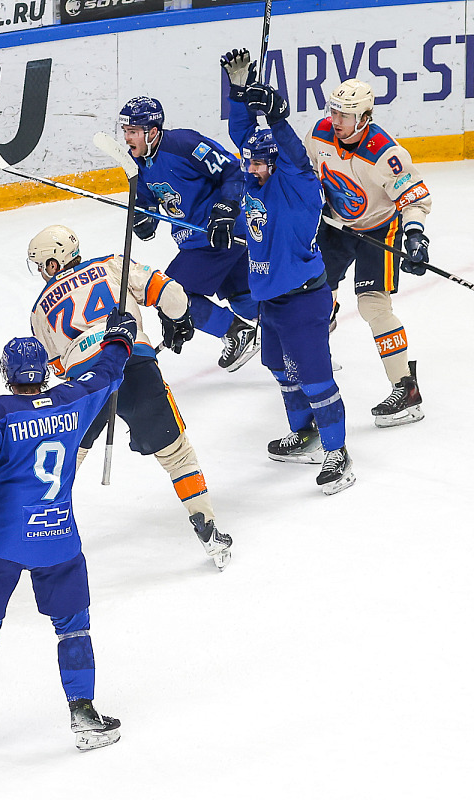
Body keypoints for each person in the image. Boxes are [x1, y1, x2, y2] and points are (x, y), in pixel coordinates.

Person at [0, 324, 135, 758]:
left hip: (2, 541)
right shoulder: (72, 399)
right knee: (73, 627)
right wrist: (119, 340)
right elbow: (107, 373)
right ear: (43, 371)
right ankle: (85, 715)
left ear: (8, 373)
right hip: (57, 536)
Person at [27, 224, 232, 568]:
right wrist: (178, 319)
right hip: (134, 361)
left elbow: (57, 367)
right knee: (176, 454)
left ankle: (37, 536)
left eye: (41, 264)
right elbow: (173, 295)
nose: (41, 272)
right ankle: (207, 527)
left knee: (67, 459)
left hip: (85, 381)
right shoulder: (112, 265)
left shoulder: (39, 310)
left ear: (53, 262)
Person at [223, 49, 355, 494]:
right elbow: (243, 134)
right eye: (250, 162)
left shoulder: (298, 185)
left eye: (260, 163)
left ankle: (338, 452)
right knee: (282, 370)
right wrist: (238, 91)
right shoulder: (254, 177)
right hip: (271, 300)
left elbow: (295, 154)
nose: (252, 168)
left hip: (303, 298)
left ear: (276, 165)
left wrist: (277, 115)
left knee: (316, 378)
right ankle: (305, 433)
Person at [304, 78, 430, 427]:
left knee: (373, 306)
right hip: (335, 224)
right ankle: (317, 356)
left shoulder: (385, 153)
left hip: (379, 227)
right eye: (333, 112)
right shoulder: (319, 134)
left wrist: (415, 235)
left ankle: (406, 388)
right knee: (314, 295)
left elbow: (414, 197)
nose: (336, 120)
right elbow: (305, 173)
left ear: (364, 117)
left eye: (345, 115)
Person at [119, 96, 260, 372]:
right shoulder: (137, 162)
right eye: (125, 131)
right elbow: (148, 202)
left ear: (153, 132)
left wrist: (226, 207)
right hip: (198, 240)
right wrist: (144, 219)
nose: (127, 138)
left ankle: (236, 332)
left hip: (219, 234)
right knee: (244, 298)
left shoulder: (184, 145)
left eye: (133, 131)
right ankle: (295, 328)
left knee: (170, 292)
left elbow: (232, 170)